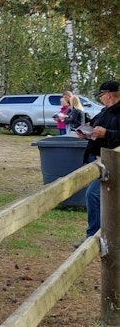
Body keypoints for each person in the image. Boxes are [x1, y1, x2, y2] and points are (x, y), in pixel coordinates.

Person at [74, 80, 120, 244]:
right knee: (102, 197)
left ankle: (93, 237)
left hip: (112, 160)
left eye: (101, 96)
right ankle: (101, 235)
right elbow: (93, 125)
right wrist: (85, 132)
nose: (100, 99)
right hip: (97, 158)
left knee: (93, 195)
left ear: (107, 95)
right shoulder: (104, 111)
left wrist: (107, 134)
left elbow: (112, 133)